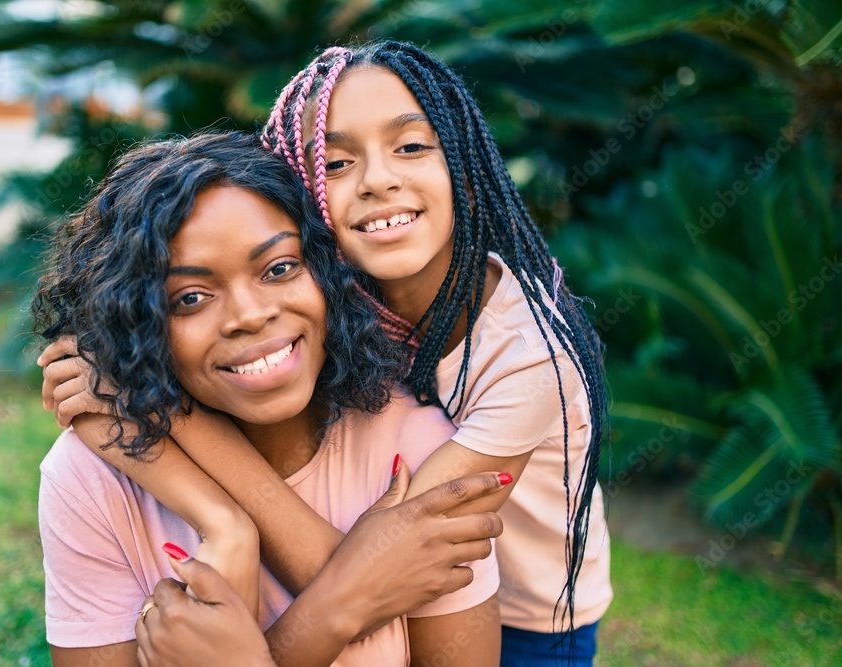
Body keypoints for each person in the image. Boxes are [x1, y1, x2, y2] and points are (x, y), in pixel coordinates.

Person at [45, 40, 612, 665]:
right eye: (336, 163)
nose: (378, 181)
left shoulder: (532, 360)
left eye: (412, 146)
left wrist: (166, 412)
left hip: (529, 621)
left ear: (467, 165)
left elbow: (380, 568)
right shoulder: (340, 290)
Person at [34, 131, 509, 667]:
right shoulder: (91, 481)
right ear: (138, 325)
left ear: (329, 273)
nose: (250, 315)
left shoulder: (415, 451)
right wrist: (227, 527)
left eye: (279, 268)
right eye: (190, 298)